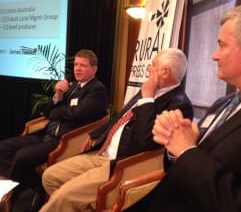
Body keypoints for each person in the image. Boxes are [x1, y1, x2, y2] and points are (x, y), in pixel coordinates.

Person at [124, 1, 241, 212]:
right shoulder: (223, 103)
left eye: (222, 45)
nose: (214, 55)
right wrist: (175, 143)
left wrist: (187, 150)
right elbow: (191, 165)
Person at [38, 48, 194, 212]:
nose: (148, 69)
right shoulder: (151, 88)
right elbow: (119, 117)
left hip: (121, 164)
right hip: (102, 152)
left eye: (153, 65)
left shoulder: (179, 105)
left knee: (63, 196)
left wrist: (148, 99)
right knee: (50, 176)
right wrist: (95, 134)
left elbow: (146, 141)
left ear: (164, 71)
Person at [0, 49, 108, 210]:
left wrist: (56, 112)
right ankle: (35, 185)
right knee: (2, 148)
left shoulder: (96, 89)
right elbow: (46, 111)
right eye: (76, 64)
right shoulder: (72, 87)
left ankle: (12, 195)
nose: (77, 69)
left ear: (94, 69)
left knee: (22, 157)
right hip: (46, 134)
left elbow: (77, 114)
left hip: (63, 140)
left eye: (83, 66)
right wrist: (57, 94)